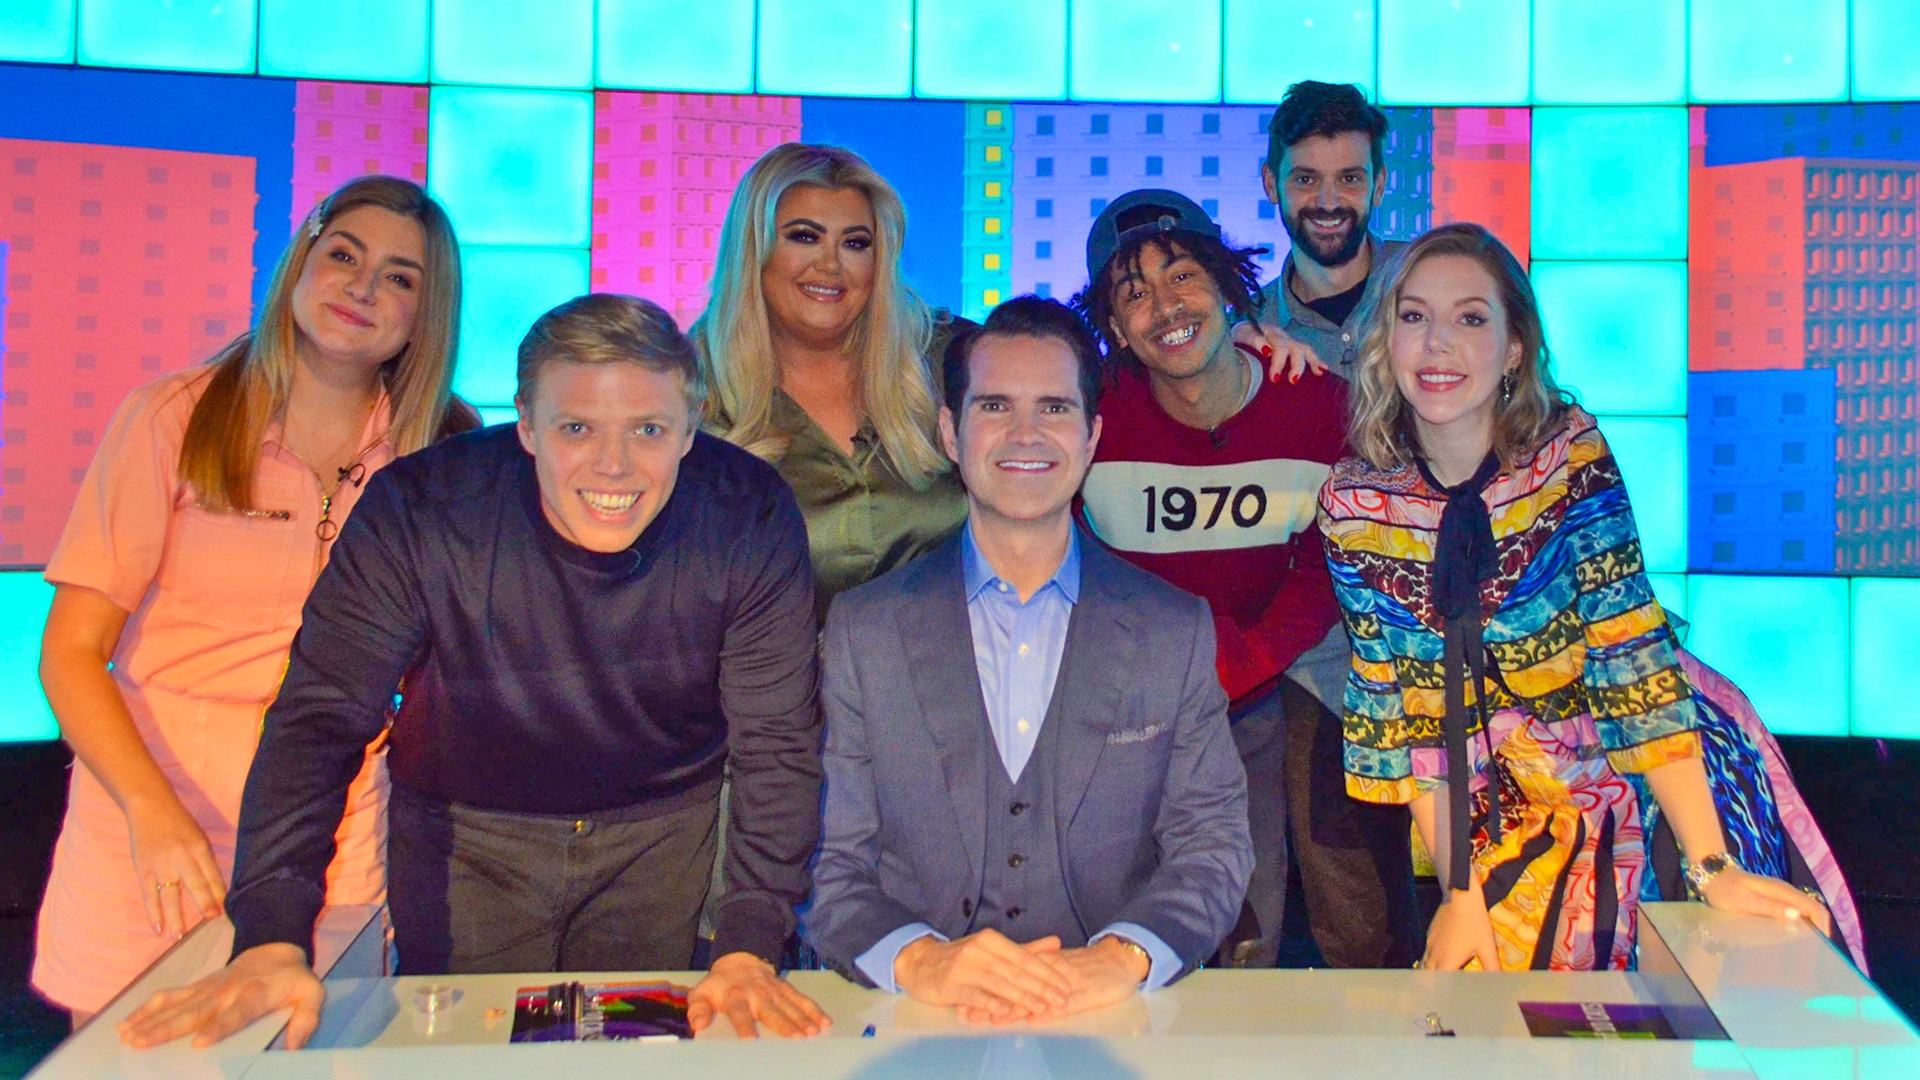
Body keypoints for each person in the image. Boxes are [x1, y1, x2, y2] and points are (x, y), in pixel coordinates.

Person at [119, 295, 830, 1047]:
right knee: (470, 1050)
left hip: (660, 843)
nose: (614, 464)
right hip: (467, 841)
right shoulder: (422, 508)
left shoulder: (748, 514)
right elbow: (321, 719)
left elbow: (777, 742)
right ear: (526, 424)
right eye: (577, 428)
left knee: (629, 1050)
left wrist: (750, 943)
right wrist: (270, 935)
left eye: (648, 430)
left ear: (691, 429)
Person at [1320, 223, 1840, 971]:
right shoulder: (1354, 503)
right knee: (1498, 990)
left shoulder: (1570, 458)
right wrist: (1460, 894)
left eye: (1471, 318)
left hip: (1646, 765)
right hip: (1495, 798)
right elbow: (1407, 713)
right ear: (1385, 339)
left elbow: (1631, 656)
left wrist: (1710, 865)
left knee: (1682, 976)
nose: (1437, 345)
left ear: (1514, 347)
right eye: (1414, 316)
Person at [34, 175, 476, 1024]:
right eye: (343, 255)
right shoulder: (175, 417)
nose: (361, 288)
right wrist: (150, 811)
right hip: (156, 817)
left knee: (318, 1051)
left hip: (335, 824)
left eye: (399, 277)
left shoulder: (446, 448)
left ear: (428, 312)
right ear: (299, 262)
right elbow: (71, 653)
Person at [806, 296, 1252, 1022]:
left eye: (1053, 407)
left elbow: (1213, 846)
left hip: (1113, 1021)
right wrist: (919, 960)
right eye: (994, 406)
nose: (1025, 434)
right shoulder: (865, 630)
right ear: (950, 433)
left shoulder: (1173, 628)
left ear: (1091, 435)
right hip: (915, 1020)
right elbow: (829, 858)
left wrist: (1124, 957)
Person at [1072, 190, 1418, 969]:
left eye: (1183, 276)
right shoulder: (1091, 417)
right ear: (1114, 327)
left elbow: (1332, 562)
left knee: (1287, 905)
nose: (1166, 306)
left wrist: (1245, 659)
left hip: (1271, 675)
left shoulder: (1318, 405)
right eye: (1134, 293)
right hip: (1135, 690)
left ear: (1227, 285)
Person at [694, 142, 967, 623]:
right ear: (755, 250)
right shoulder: (686, 391)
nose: (830, 266)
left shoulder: (953, 360)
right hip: (768, 671)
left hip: (954, 666)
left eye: (855, 243)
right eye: (804, 237)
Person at [1252, 80, 1405, 383]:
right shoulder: (1248, 332)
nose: (1328, 203)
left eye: (1349, 179)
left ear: (1379, 186)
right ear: (1271, 184)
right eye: (1305, 180)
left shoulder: (1433, 283)